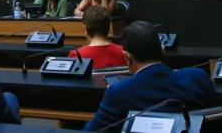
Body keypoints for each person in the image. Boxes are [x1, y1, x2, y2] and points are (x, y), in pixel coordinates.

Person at [85, 22, 214, 131]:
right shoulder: (199, 77)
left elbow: (93, 130)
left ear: (127, 57)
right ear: (162, 50)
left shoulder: (118, 91)